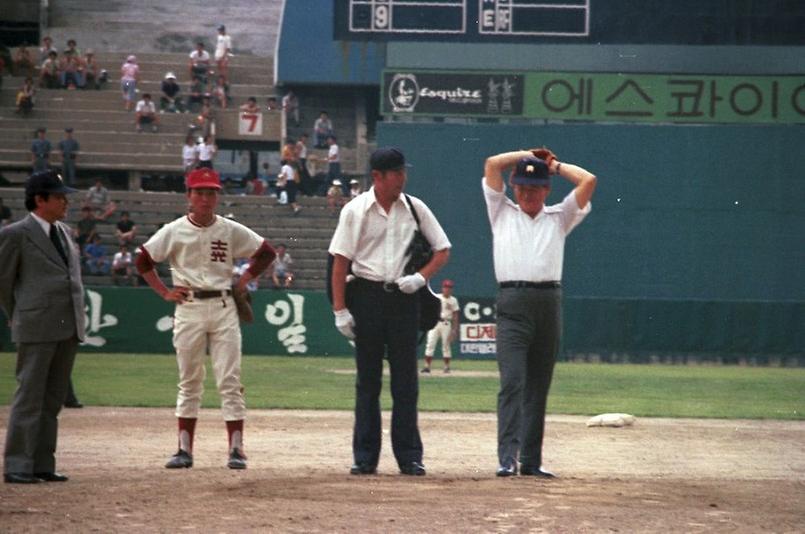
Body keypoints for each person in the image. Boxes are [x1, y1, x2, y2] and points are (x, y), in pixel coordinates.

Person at [135, 167, 276, 470]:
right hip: (189, 307)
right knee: (189, 379)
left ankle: (236, 450)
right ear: (189, 196)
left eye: (211, 192)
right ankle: (184, 450)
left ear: (217, 196)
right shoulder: (173, 230)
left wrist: (243, 280)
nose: (205, 197)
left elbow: (266, 252)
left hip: (224, 305)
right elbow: (143, 259)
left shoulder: (228, 228)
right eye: (199, 192)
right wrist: (163, 292)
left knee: (230, 378)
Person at [329, 147, 451, 477]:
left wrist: (420, 277)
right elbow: (340, 263)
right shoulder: (355, 210)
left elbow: (443, 249)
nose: (403, 178)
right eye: (396, 173)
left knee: (406, 382)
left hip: (403, 297)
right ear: (377, 177)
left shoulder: (414, 207)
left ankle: (409, 456)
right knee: (367, 382)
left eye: (403, 172)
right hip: (366, 295)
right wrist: (340, 310)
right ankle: (364, 456)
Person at [483, 148, 596, 479]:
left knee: (538, 386)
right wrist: (526, 154)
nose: (526, 193)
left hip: (548, 303)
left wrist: (556, 166)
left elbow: (589, 180)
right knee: (513, 382)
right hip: (512, 304)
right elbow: (492, 165)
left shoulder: (559, 217)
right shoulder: (501, 213)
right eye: (520, 187)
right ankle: (507, 457)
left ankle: (530, 460)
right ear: (513, 188)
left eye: (533, 188)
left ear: (546, 190)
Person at [0, 170, 85, 484]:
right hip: (36, 324)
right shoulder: (15, 234)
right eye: (59, 196)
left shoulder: (64, 231)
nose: (65, 201)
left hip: (67, 323)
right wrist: (19, 313)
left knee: (52, 398)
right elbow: (3, 282)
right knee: (30, 396)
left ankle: (41, 463)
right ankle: (17, 465)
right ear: (40, 199)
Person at [421, 279, 460, 374]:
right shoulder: (437, 297)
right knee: (430, 344)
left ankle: (446, 367)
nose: (447, 289)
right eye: (446, 287)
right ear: (442, 288)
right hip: (435, 322)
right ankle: (427, 366)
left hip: (446, 323)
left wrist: (454, 330)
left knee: (446, 345)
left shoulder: (453, 300)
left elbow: (455, 315)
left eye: (449, 287)